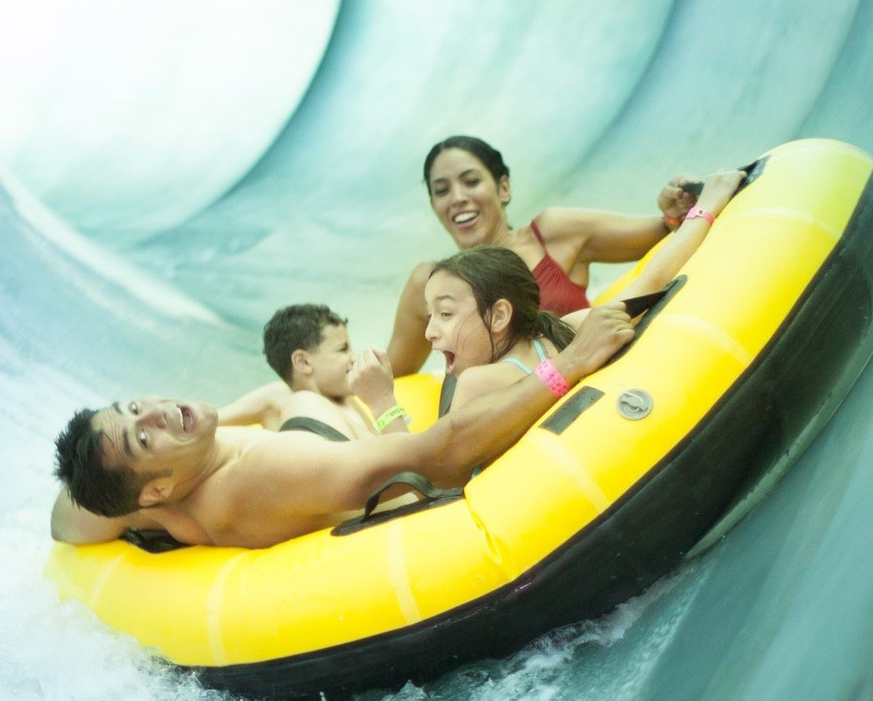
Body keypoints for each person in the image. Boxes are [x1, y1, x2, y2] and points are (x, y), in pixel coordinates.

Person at [48, 300, 637, 549]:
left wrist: (134, 473)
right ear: (154, 488)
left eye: (132, 407)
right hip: (384, 480)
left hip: (294, 446)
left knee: (288, 402)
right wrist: (571, 365)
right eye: (141, 436)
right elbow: (436, 456)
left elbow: (65, 520)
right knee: (501, 365)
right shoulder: (271, 468)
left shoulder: (151, 493)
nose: (152, 412)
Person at [427, 169, 746, 416]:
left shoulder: (473, 383)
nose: (429, 332)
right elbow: (654, 278)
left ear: (498, 315)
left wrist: (387, 408)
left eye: (444, 314)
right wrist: (705, 207)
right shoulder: (566, 331)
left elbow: (439, 468)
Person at [388, 135, 701, 375]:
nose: (457, 198)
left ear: (503, 188)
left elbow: (667, 230)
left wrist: (675, 208)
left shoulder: (553, 234)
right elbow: (396, 371)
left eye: (471, 181)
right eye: (441, 190)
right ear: (434, 206)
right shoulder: (427, 284)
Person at [219, 304, 409, 441]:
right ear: (303, 362)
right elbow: (212, 421)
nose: (353, 358)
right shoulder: (279, 396)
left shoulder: (346, 397)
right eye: (343, 349)